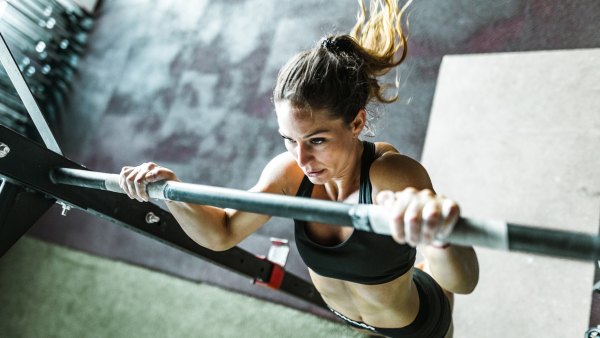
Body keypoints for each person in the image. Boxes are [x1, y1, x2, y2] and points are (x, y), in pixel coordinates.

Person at [119, 0, 479, 336]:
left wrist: (441, 238)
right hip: (358, 320)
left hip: (417, 327)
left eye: (317, 140)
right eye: (289, 139)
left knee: (433, 271)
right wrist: (171, 190)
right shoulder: (289, 172)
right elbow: (222, 232)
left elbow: (465, 282)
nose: (302, 159)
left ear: (355, 124)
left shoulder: (391, 175)